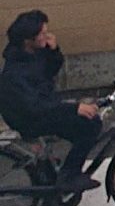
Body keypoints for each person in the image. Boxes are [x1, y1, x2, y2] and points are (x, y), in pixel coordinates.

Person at [2, 11, 102, 182]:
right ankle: (69, 176)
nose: (46, 36)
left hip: (41, 107)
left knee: (84, 126)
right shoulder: (16, 72)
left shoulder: (32, 53)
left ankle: (51, 172)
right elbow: (35, 105)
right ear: (28, 40)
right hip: (28, 118)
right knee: (90, 125)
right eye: (41, 34)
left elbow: (49, 71)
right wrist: (75, 108)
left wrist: (54, 51)